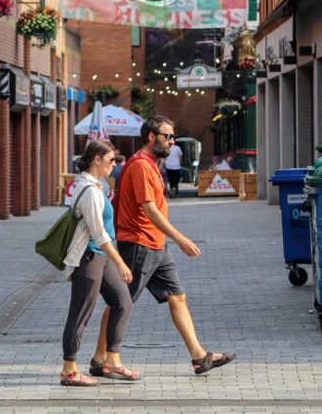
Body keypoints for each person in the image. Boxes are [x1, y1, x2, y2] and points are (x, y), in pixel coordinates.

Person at [91, 116, 235, 377]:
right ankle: (101, 358)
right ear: (151, 137)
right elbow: (150, 210)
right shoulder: (140, 166)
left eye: (172, 137)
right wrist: (181, 239)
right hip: (138, 243)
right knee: (119, 302)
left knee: (177, 295)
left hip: (156, 244)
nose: (172, 141)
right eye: (168, 136)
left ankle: (199, 356)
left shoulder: (151, 164)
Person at [59, 140, 140, 387]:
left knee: (122, 302)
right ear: (96, 158)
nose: (114, 165)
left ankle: (111, 360)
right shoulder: (89, 189)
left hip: (102, 258)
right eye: (110, 160)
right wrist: (121, 263)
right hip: (89, 258)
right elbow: (99, 234)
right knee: (81, 312)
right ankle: (69, 370)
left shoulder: (99, 185)